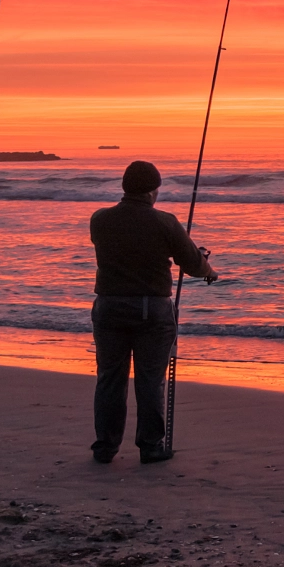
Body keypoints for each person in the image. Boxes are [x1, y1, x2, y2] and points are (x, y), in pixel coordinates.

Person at [89, 160, 218, 464]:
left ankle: (105, 446)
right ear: (151, 191)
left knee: (110, 377)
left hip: (108, 307)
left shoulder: (100, 220)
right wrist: (207, 266)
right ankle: (149, 445)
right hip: (151, 309)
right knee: (149, 379)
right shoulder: (165, 222)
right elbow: (192, 263)